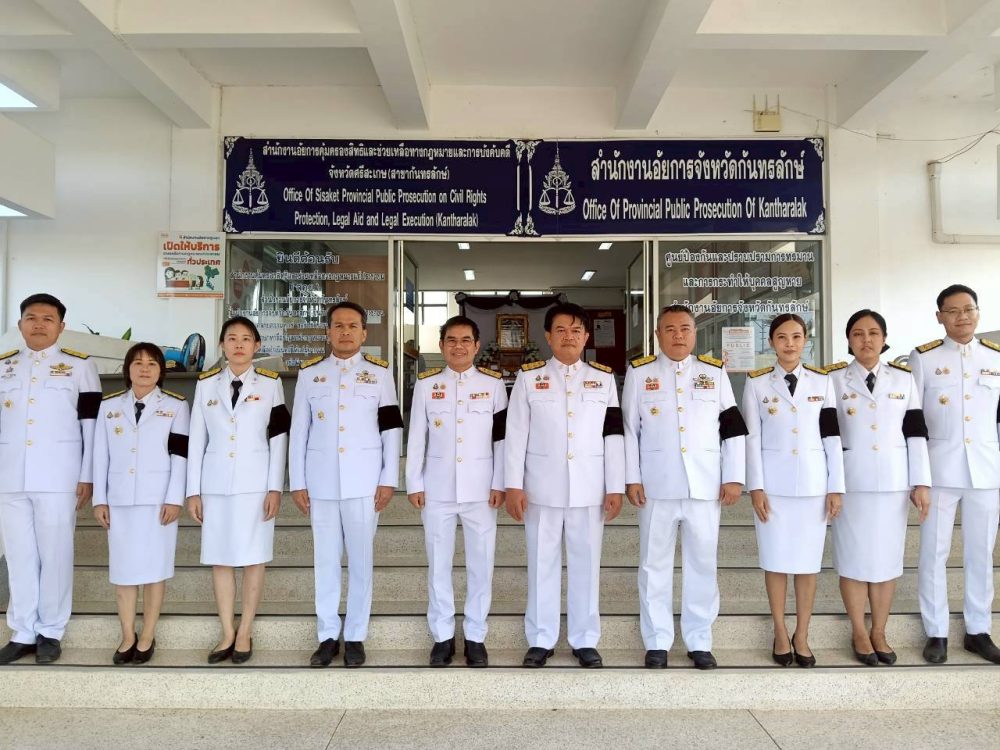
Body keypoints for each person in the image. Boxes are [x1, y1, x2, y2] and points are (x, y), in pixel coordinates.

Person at [622, 304, 748, 670]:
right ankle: (657, 641)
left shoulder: (714, 372)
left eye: (685, 329)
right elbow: (629, 430)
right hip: (656, 485)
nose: (678, 335)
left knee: (702, 563)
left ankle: (699, 640)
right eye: (670, 329)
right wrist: (631, 477)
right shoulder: (640, 373)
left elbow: (732, 428)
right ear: (658, 335)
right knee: (653, 565)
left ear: (695, 333)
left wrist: (734, 476)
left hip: (705, 484)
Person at [505, 302, 625, 668]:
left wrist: (615, 485)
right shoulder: (529, 378)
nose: (568, 337)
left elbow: (613, 434)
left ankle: (584, 639)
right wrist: (513, 485)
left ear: (586, 336)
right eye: (560, 330)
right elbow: (515, 434)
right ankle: (540, 639)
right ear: (548, 336)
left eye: (575, 331)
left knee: (586, 565)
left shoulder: (604, 379)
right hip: (541, 488)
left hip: (589, 488)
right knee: (541, 564)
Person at [289, 301, 403, 668]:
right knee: (325, 560)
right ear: (328, 332)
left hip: (364, 482)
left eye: (352, 326)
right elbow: (299, 431)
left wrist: (389, 478)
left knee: (361, 561)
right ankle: (327, 635)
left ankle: (355, 635)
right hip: (320, 481)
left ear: (364, 333)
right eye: (338, 325)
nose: (345, 332)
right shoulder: (310, 374)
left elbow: (391, 428)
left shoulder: (380, 374)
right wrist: (297, 481)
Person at [0, 293, 101, 665]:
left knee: (55, 553)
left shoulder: (80, 366)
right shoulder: (4, 365)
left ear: (61, 326)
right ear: (20, 324)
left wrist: (88, 474)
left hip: (60, 475)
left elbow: (91, 426)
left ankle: (51, 631)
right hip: (10, 474)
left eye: (47, 318)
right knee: (19, 555)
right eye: (31, 317)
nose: (38, 324)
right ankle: (22, 631)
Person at [825, 310, 931, 665]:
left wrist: (921, 481)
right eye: (858, 333)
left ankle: (879, 631)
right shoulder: (833, 380)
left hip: (893, 481)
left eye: (873, 333)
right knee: (852, 559)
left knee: (887, 560)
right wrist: (832, 484)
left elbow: (915, 431)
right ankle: (859, 630)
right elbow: (828, 434)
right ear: (849, 340)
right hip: (851, 482)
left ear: (884, 339)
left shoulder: (904, 379)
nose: (866, 339)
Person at [186, 316, 289, 665]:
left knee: (254, 558)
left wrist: (275, 487)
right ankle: (227, 631)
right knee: (220, 559)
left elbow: (279, 437)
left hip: (255, 484)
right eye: (232, 338)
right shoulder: (205, 385)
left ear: (257, 345)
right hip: (215, 483)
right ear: (222, 345)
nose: (239, 344)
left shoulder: (271, 383)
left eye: (246, 339)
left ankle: (245, 630)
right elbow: (196, 439)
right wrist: (193, 490)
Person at [743, 313, 844, 667]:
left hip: (814, 486)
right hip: (773, 488)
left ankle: (802, 633)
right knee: (775, 562)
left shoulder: (822, 381)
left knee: (807, 565)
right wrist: (755, 487)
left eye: (797, 336)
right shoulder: (757, 383)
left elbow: (831, 435)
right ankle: (780, 631)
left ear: (805, 340)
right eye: (782, 337)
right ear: (771, 342)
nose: (790, 343)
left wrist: (836, 486)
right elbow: (751, 439)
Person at [406, 315, 507, 667]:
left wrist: (499, 482)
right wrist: (414, 482)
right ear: (441, 345)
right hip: (437, 489)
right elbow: (416, 437)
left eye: (466, 340)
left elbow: (501, 439)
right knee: (438, 565)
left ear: (477, 346)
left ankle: (476, 636)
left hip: (481, 490)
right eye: (451, 340)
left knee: (481, 565)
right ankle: (443, 636)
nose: (458, 346)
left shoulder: (493, 384)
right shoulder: (426, 384)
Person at [910, 284, 1000, 664]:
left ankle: (978, 630)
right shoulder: (924, 358)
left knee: (981, 552)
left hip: (986, 470)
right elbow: (913, 421)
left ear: (978, 313)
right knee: (934, 552)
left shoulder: (995, 356)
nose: (962, 317)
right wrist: (919, 476)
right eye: (953, 311)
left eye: (969, 309)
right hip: (940, 470)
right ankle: (937, 631)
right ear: (940, 316)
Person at [93, 343, 190, 665]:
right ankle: (127, 635)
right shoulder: (108, 406)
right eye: (138, 363)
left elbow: (180, 456)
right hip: (119, 499)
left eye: (152, 364)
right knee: (123, 571)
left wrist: (174, 498)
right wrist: (100, 499)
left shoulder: (176, 406)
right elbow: (100, 456)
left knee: (154, 569)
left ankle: (147, 634)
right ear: (128, 369)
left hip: (158, 502)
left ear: (161, 371)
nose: (144, 369)